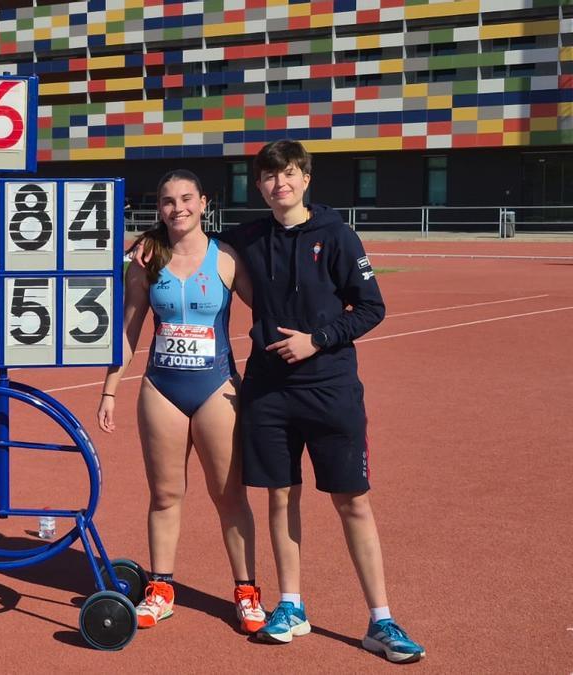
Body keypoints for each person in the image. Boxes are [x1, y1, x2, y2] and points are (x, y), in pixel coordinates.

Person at [224, 139, 425, 663]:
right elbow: (195, 240)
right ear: (260, 185)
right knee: (280, 496)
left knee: (352, 501)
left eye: (288, 174)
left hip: (331, 389)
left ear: (305, 178)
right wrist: (149, 240)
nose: (278, 184)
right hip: (268, 392)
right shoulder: (248, 237)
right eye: (269, 177)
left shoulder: (337, 236)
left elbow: (371, 308)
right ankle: (291, 605)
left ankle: (381, 620)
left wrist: (317, 339)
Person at [97, 169, 265, 634]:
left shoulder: (227, 258)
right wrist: (110, 388)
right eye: (168, 201)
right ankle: (161, 588)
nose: (178, 208)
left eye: (187, 199)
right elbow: (129, 328)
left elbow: (268, 314)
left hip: (217, 387)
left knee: (229, 494)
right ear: (160, 209)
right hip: (162, 390)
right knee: (165, 495)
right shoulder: (147, 257)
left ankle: (247, 592)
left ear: (204, 202)